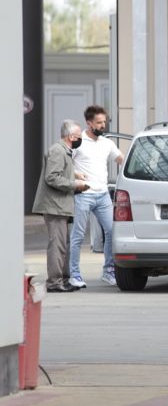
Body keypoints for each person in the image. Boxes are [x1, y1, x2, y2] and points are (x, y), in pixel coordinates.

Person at [69, 105, 124, 288]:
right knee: (77, 236)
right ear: (89, 123)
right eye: (99, 123)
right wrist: (76, 176)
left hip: (102, 196)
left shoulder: (107, 143)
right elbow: (65, 163)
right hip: (83, 194)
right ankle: (74, 275)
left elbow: (121, 159)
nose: (103, 125)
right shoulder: (78, 141)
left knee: (112, 231)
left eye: (104, 122)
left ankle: (108, 271)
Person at [32, 120, 89, 293]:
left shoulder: (64, 151)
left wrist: (74, 174)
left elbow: (59, 173)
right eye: (79, 137)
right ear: (71, 136)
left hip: (60, 206)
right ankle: (54, 282)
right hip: (54, 206)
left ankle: (63, 279)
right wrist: (75, 184)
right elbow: (52, 177)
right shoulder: (58, 150)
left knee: (64, 244)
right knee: (57, 245)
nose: (80, 140)